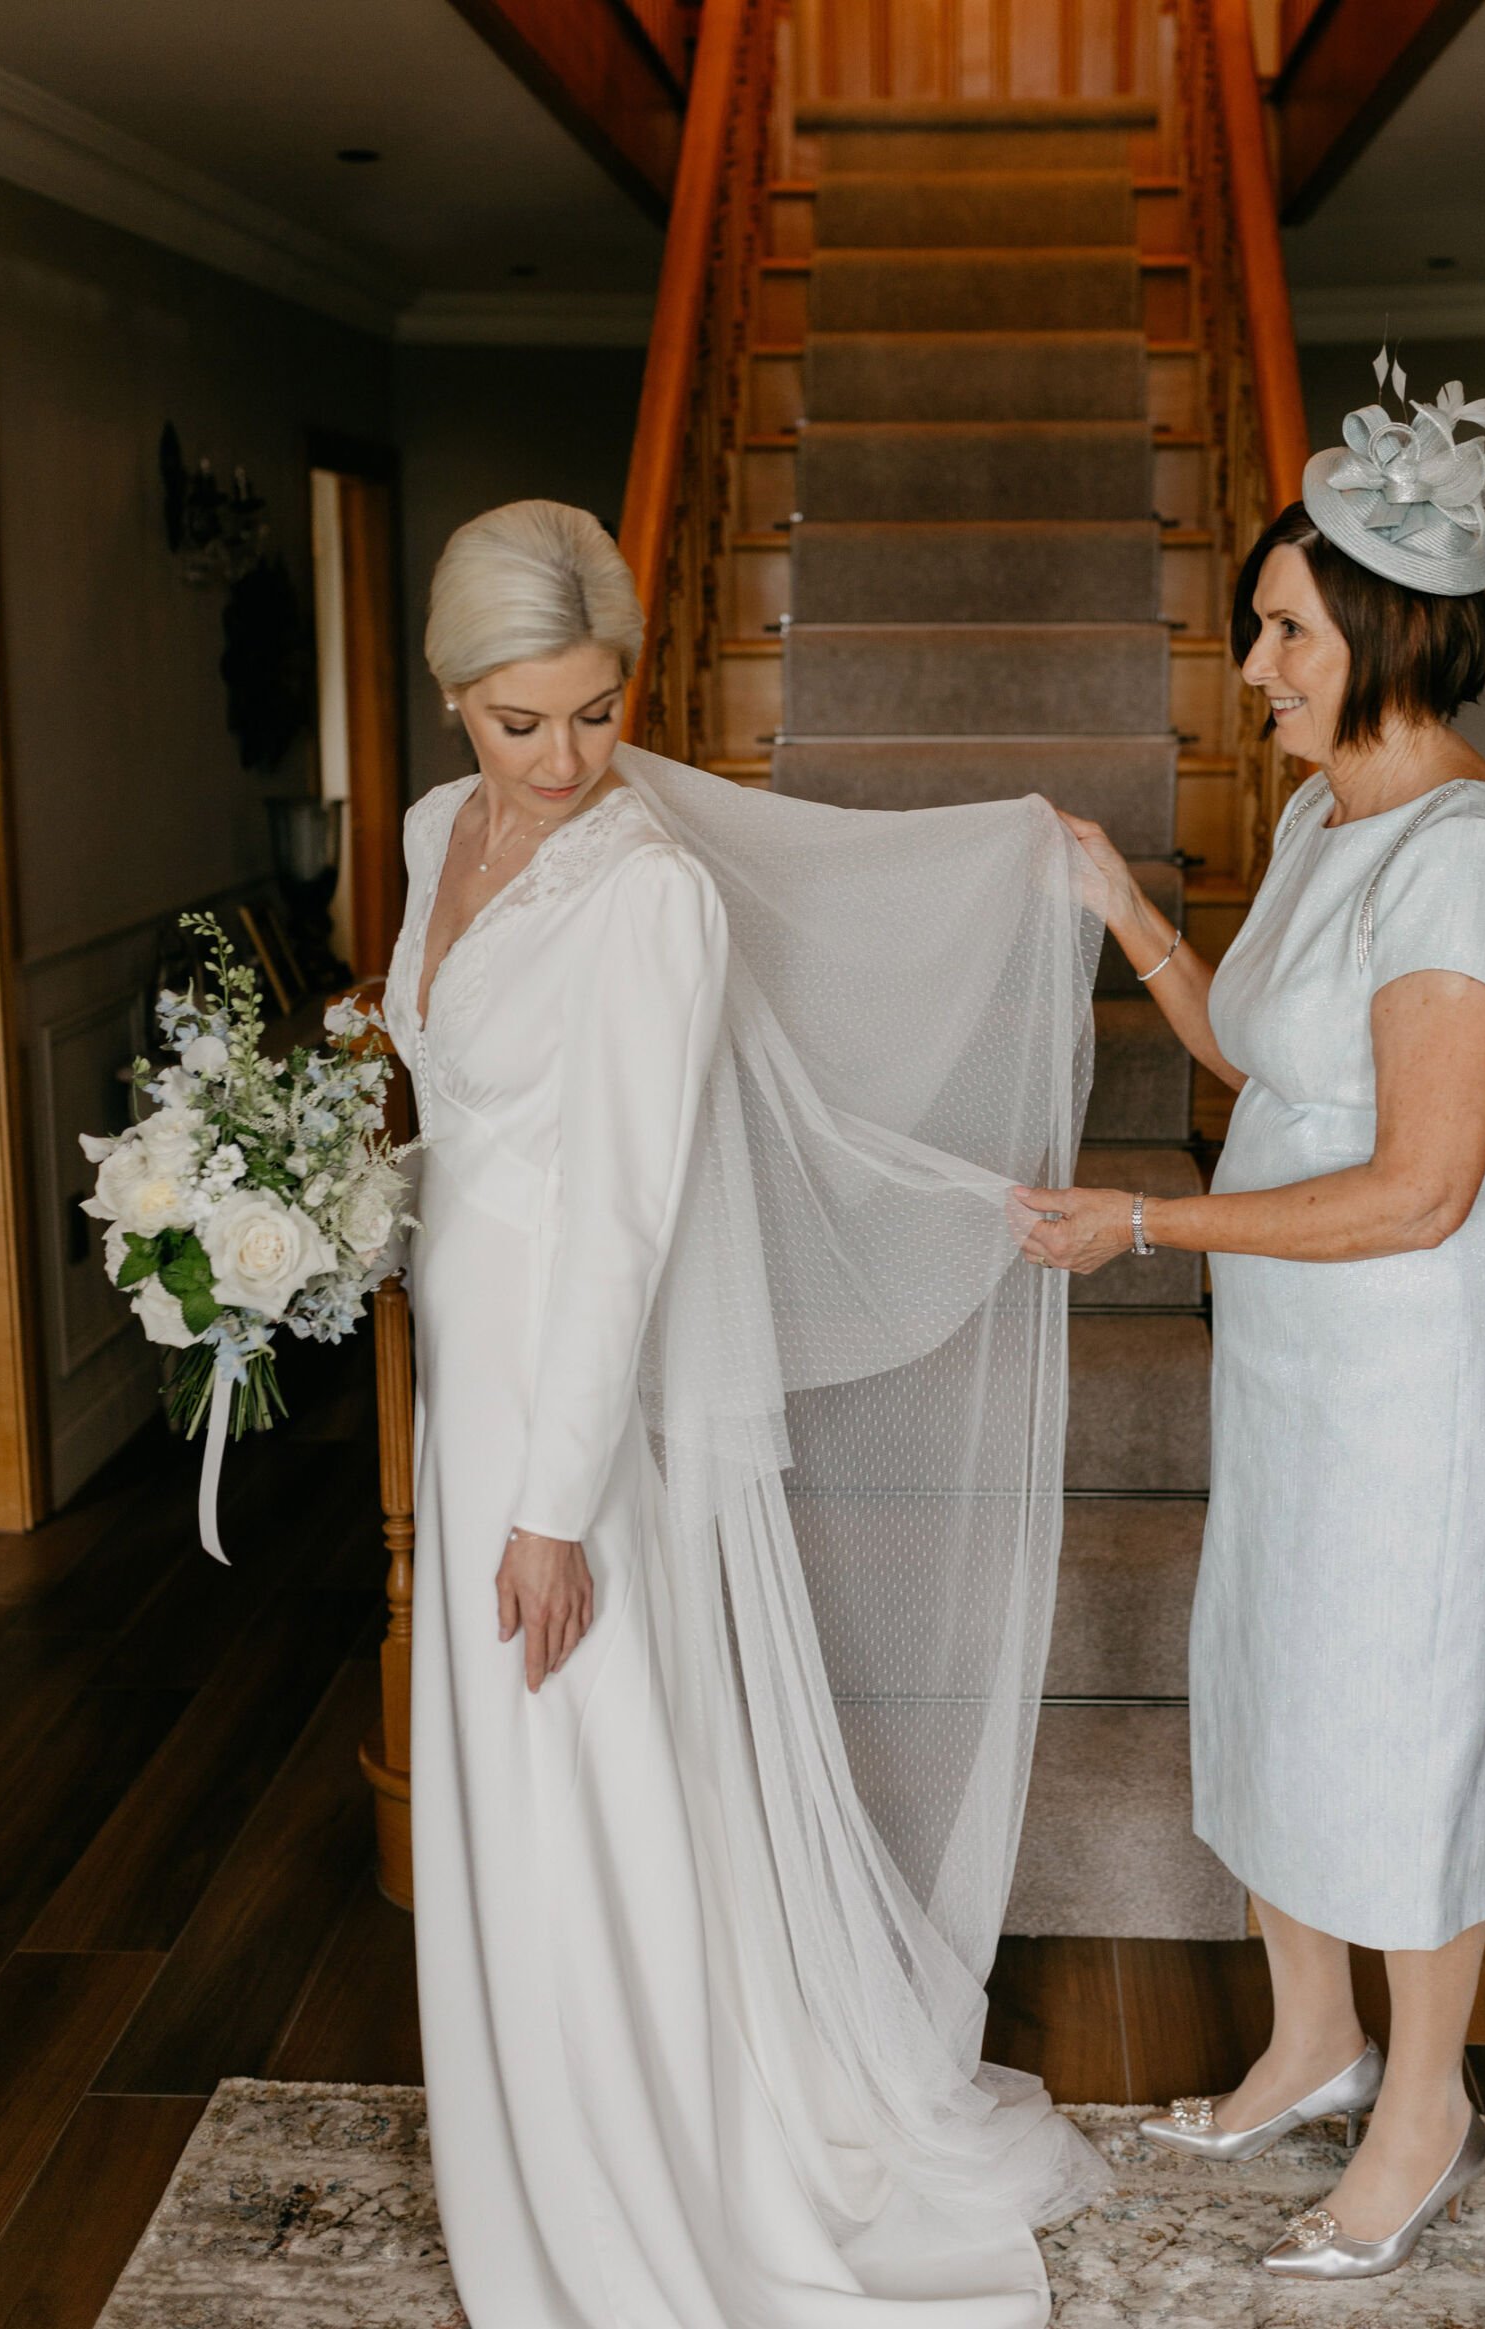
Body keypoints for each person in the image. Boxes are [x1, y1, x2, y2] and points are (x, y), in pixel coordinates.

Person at [381, 501, 1107, 2329]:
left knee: (589, 1804)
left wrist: (555, 1505)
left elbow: (622, 1218)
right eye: (517, 720)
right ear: (451, 697)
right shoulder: (422, 835)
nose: (562, 762)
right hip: (460, 1380)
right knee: (511, 1806)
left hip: (568, 1420)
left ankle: (628, 2190)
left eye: (599, 712)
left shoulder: (654, 894)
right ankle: (521, 2145)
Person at [1016, 366, 1485, 2281]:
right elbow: (1259, 1048)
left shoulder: (1474, 864)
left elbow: (1420, 1183)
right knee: (1271, 1670)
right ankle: (1314, 2036)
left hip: (1413, 1358)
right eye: (1262, 627)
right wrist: (1124, 909)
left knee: (1402, 1706)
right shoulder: (1335, 821)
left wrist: (1149, 1217)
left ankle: (1424, 2099)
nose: (1252, 662)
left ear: (1389, 636)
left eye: (1283, 630)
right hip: (1295, 1350)